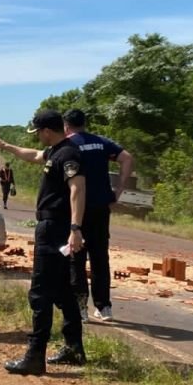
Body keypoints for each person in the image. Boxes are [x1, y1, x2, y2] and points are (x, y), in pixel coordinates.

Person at [0, 110, 87, 375]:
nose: (38, 139)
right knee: (63, 291)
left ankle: (35, 357)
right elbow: (33, 155)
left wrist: (75, 228)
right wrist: (6, 146)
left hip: (56, 228)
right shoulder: (56, 151)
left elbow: (78, 188)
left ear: (46, 131)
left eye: (39, 133)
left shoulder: (67, 154)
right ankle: (74, 348)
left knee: (41, 291)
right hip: (54, 227)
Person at [62, 108, 134, 323]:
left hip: (78, 209)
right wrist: (119, 189)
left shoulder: (68, 145)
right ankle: (104, 308)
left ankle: (80, 307)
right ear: (84, 123)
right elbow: (127, 158)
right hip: (102, 207)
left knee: (76, 257)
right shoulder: (101, 142)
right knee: (100, 257)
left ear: (66, 126)